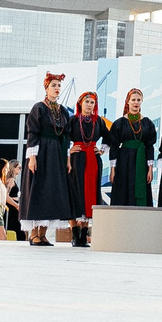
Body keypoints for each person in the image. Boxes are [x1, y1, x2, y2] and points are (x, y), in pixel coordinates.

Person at [21, 72, 75, 245]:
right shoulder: (39, 108)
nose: (57, 88)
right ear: (46, 88)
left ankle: (43, 234)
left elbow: (65, 136)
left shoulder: (63, 110)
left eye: (59, 86)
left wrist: (67, 158)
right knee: (38, 188)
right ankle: (33, 234)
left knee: (52, 190)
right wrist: (32, 157)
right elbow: (33, 132)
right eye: (53, 85)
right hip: (42, 151)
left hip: (57, 153)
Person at [64, 90, 106, 243]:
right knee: (75, 192)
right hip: (76, 160)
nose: (89, 105)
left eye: (92, 102)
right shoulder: (73, 120)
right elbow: (64, 137)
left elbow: (110, 137)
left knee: (91, 193)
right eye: (87, 102)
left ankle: (84, 233)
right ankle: (75, 233)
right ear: (81, 103)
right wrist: (69, 150)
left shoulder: (99, 121)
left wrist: (101, 150)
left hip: (93, 161)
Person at [105, 88, 156, 209]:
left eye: (138, 100)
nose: (136, 102)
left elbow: (150, 146)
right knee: (124, 188)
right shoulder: (120, 123)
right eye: (133, 100)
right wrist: (113, 169)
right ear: (127, 101)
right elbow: (114, 146)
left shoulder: (147, 123)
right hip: (124, 161)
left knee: (140, 186)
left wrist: (150, 169)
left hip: (141, 160)